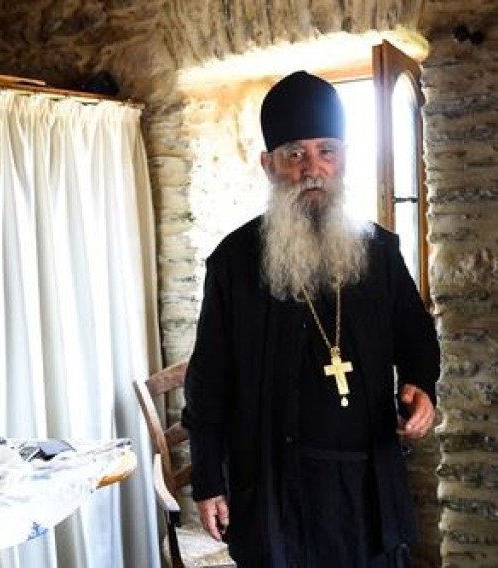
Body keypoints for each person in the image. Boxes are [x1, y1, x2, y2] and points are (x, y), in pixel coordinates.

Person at [181, 71, 439, 568]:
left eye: (327, 151)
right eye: (295, 154)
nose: (312, 169)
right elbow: (208, 381)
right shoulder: (233, 263)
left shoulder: (380, 253)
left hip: (365, 487)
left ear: (345, 158)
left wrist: (421, 385)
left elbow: (416, 336)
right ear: (268, 165)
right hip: (276, 488)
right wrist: (208, 480)